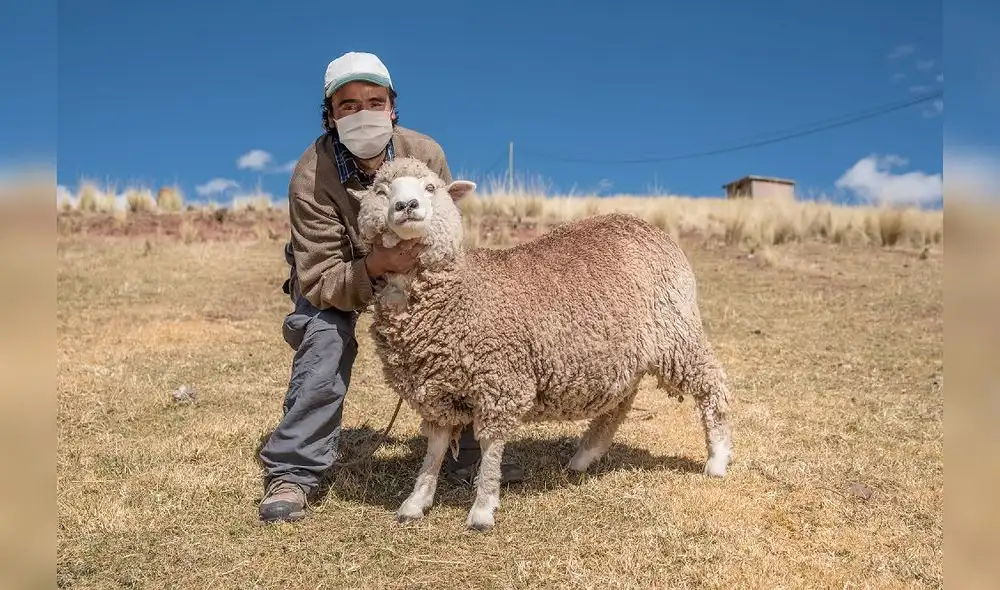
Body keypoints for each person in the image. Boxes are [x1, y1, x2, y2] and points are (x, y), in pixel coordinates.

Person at [258, 51, 523, 523]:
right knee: (324, 339)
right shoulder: (311, 174)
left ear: (392, 107)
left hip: (416, 266)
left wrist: (423, 274)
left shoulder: (425, 153)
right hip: (337, 270)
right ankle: (294, 472)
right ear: (331, 115)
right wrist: (377, 263)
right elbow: (319, 278)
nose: (363, 114)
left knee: (455, 335)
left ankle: (464, 450)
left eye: (374, 101)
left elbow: (445, 227)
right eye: (348, 105)